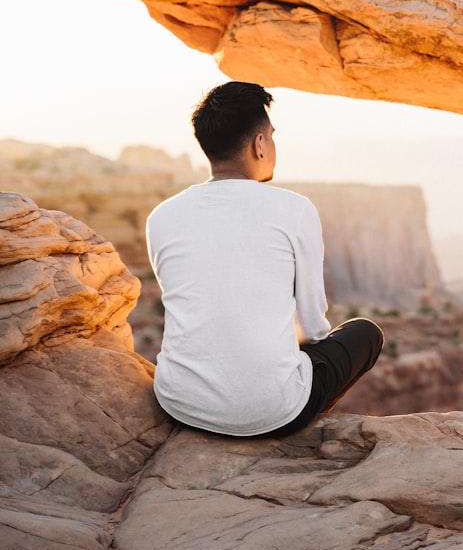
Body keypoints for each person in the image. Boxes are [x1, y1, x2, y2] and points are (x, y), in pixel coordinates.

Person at [146, 81, 383, 437]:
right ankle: (295, 414)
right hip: (272, 413)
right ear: (259, 144)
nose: (272, 144)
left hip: (180, 404)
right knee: (365, 333)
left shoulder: (161, 216)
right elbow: (316, 328)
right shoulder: (294, 209)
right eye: (270, 136)